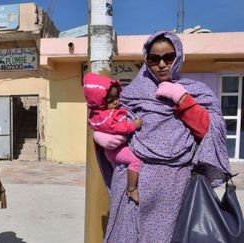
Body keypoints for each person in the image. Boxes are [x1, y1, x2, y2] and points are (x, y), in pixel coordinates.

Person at [94, 31, 231, 243]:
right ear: (146, 61)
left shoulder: (196, 92)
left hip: (175, 185)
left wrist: (182, 99)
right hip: (133, 183)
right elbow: (108, 120)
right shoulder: (132, 94)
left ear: (178, 58)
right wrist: (101, 135)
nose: (161, 64)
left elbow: (209, 130)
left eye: (168, 57)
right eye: (153, 59)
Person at [83, 73, 142, 203]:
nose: (116, 102)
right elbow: (118, 128)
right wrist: (134, 125)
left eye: (117, 97)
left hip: (118, 149)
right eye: (111, 100)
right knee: (136, 161)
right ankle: (131, 189)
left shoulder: (104, 112)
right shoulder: (104, 117)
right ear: (99, 102)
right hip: (114, 151)